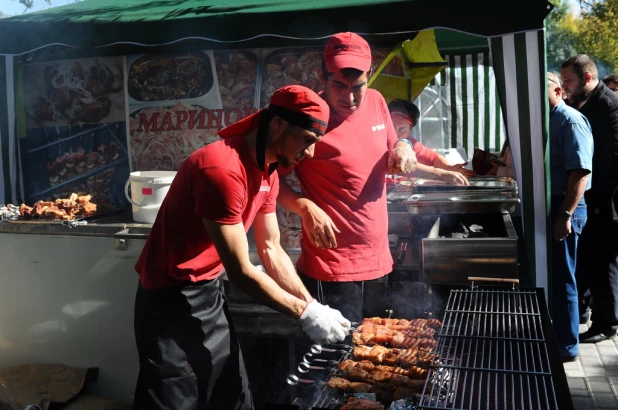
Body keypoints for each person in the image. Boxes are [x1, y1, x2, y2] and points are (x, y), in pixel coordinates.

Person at [132, 85, 351, 410]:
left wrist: (313, 305)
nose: (311, 153)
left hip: (209, 294)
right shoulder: (220, 170)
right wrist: (304, 314)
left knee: (231, 395)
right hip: (168, 299)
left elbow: (271, 249)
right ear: (278, 125)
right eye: (307, 140)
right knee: (175, 402)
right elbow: (240, 270)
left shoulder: (269, 172)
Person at [276, 32, 468, 323]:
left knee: (374, 352)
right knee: (337, 358)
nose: (350, 97)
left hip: (378, 258)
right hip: (332, 267)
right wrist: (305, 207)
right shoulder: (309, 117)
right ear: (321, 76)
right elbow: (269, 183)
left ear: (369, 76)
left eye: (358, 86)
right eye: (339, 86)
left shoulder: (377, 102)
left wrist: (404, 146)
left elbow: (393, 153)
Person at [561, 55, 618, 343]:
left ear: (586, 77)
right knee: (587, 260)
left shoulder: (608, 105)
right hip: (593, 199)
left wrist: (599, 201)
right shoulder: (583, 103)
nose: (564, 88)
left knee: (603, 261)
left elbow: (613, 160)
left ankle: (607, 323)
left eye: (568, 81)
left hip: (608, 203)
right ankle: (583, 312)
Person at [545, 72, 593, 362]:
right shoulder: (548, 118)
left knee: (564, 277)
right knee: (554, 274)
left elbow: (580, 172)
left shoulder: (570, 120)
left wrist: (565, 214)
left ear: (559, 91)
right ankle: (556, 337)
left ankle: (567, 346)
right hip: (553, 204)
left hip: (565, 205)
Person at [388, 98, 475, 177]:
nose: (395, 133)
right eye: (391, 126)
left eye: (402, 129)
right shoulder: (378, 141)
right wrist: (440, 173)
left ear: (410, 131)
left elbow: (434, 158)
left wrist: (448, 168)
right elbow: (403, 163)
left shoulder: (410, 142)